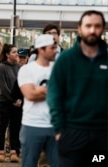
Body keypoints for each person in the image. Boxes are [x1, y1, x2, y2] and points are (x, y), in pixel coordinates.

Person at [47, 10, 108, 167]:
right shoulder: (66, 60)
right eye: (88, 26)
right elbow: (54, 96)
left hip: (103, 136)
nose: (92, 30)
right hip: (72, 134)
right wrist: (60, 129)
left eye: (97, 26)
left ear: (103, 28)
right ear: (79, 28)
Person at [18, 34, 58, 167]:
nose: (56, 51)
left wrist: (41, 89)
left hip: (55, 125)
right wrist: (54, 90)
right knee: (29, 163)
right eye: (52, 48)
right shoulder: (27, 69)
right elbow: (30, 95)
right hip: (32, 125)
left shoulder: (58, 69)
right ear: (41, 49)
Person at [0, 44, 22, 163]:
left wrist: (20, 98)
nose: (17, 54)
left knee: (15, 127)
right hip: (4, 101)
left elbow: (22, 84)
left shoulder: (19, 67)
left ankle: (13, 151)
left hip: (17, 102)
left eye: (17, 52)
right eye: (14, 52)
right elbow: (3, 88)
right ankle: (1, 151)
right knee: (3, 126)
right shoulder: (1, 67)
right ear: (7, 54)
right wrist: (13, 100)